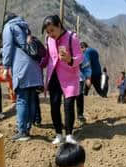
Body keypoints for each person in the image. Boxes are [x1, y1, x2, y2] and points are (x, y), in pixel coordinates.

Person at [41, 15, 83, 145]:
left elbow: (80, 57)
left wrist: (70, 60)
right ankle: (59, 134)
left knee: (68, 105)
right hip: (53, 76)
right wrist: (39, 64)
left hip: (69, 77)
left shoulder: (72, 38)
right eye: (48, 32)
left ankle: (69, 134)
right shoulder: (49, 40)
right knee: (54, 105)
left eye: (52, 30)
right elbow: (48, 56)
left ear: (59, 25)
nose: (50, 34)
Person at [2, 12, 44, 142]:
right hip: (34, 67)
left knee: (21, 99)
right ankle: (27, 128)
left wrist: (6, 66)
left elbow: (8, 47)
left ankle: (22, 131)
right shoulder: (24, 28)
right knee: (31, 98)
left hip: (22, 67)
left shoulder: (9, 27)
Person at [76, 47, 93, 124]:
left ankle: (80, 115)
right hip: (66, 80)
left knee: (79, 96)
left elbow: (86, 66)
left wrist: (88, 77)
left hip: (79, 79)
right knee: (69, 100)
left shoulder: (80, 54)